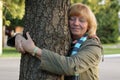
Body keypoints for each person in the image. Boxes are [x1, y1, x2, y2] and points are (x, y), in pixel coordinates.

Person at [14, 3, 103, 80]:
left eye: (82, 20)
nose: (76, 23)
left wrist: (34, 50)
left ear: (89, 25)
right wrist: (18, 36)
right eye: (72, 18)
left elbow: (71, 66)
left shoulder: (93, 46)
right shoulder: (67, 40)